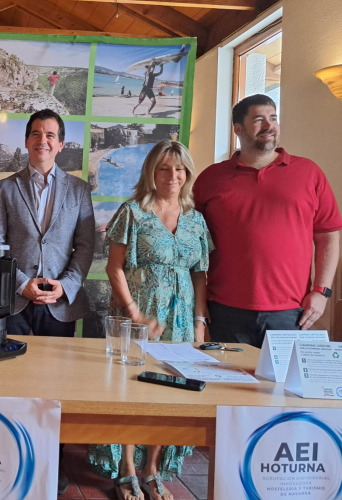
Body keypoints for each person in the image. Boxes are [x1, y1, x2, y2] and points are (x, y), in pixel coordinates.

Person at [88, 140, 212, 500]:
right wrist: (133, 313)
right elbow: (114, 268)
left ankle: (152, 469)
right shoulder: (133, 212)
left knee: (169, 393)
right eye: (163, 168)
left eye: (179, 169)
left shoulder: (195, 219)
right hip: (137, 317)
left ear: (186, 173)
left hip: (180, 320)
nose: (172, 176)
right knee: (130, 390)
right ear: (151, 172)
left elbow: (199, 273)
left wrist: (200, 320)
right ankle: (126, 467)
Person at [0, 109, 94, 496]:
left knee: (56, 388)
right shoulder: (5, 188)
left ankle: (51, 460)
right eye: (35, 134)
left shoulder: (79, 190)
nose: (42, 140)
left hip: (60, 304)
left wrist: (65, 286)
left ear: (61, 144)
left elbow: (85, 246)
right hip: (15, 303)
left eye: (50, 135)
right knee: (13, 383)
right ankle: (12, 459)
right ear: (26, 141)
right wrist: (21, 283)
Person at [193, 94, 342, 347]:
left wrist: (322, 292)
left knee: (282, 387)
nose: (270, 126)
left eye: (273, 119)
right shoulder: (211, 178)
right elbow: (191, 244)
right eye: (259, 119)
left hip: (292, 312)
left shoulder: (309, 173)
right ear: (238, 129)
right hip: (225, 310)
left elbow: (328, 237)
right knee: (226, 385)